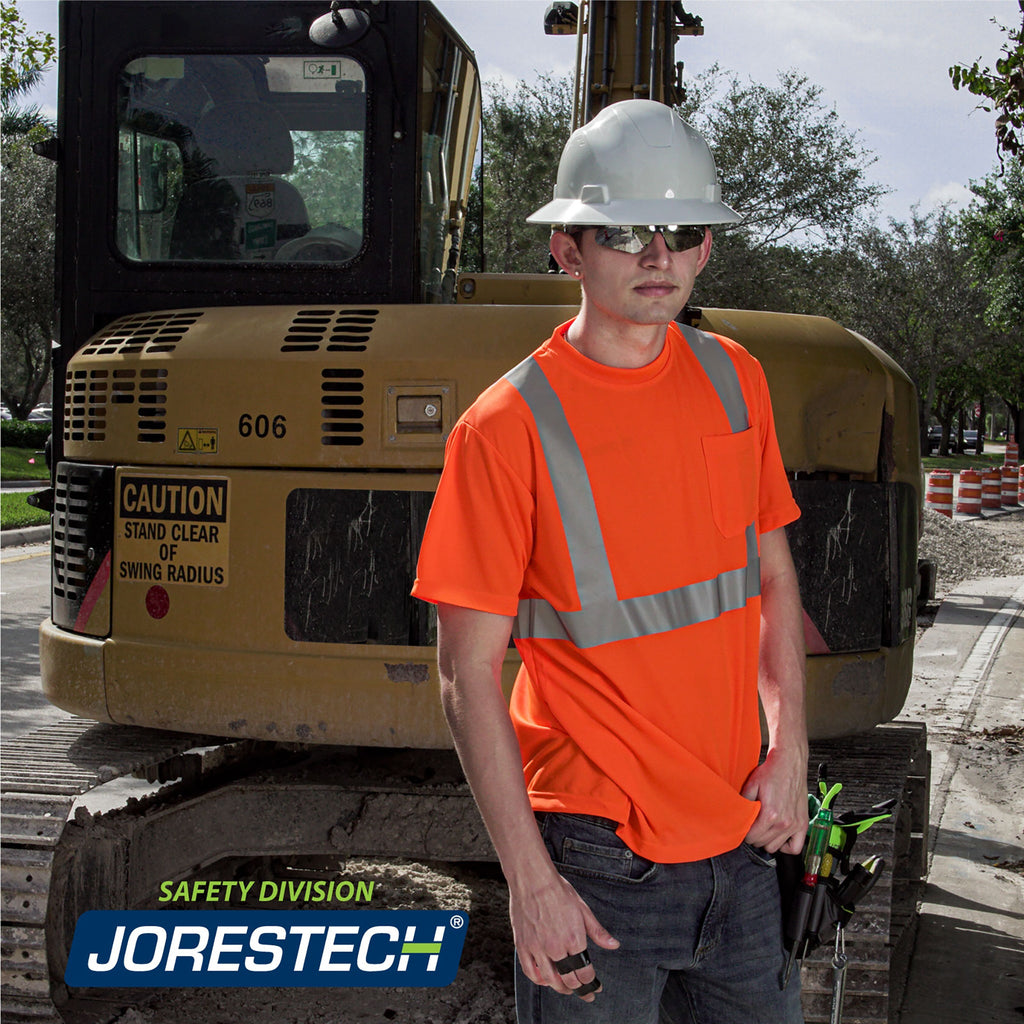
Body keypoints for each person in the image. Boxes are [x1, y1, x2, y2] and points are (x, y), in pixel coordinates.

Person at [412, 99, 808, 1024]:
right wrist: (528, 880)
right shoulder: (504, 431)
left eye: (680, 230)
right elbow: (465, 675)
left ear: (707, 246)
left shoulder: (734, 377)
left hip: (743, 839)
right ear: (569, 248)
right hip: (598, 861)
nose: (656, 254)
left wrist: (789, 749)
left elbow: (774, 580)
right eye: (625, 230)